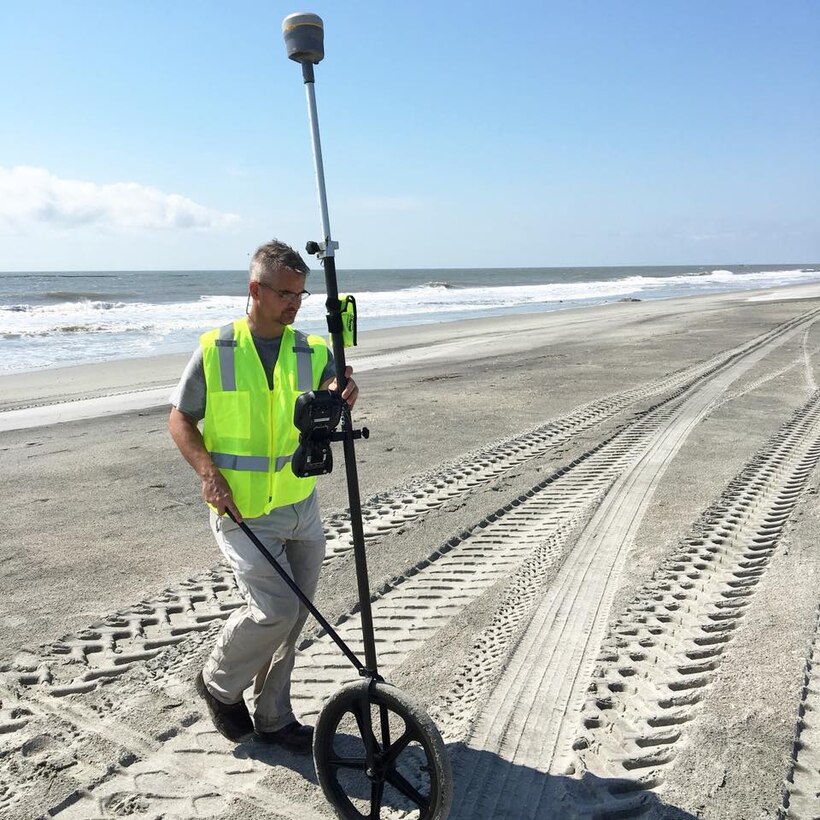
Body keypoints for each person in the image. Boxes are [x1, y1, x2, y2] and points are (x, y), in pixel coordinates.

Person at [168, 239, 358, 752]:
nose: (294, 303)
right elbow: (180, 417)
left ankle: (274, 715)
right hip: (241, 508)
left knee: (296, 617)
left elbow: (333, 394)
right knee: (273, 610)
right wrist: (208, 473)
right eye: (284, 293)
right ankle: (218, 682)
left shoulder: (312, 349)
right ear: (255, 289)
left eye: (301, 293)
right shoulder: (216, 348)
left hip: (301, 503)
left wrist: (344, 389)